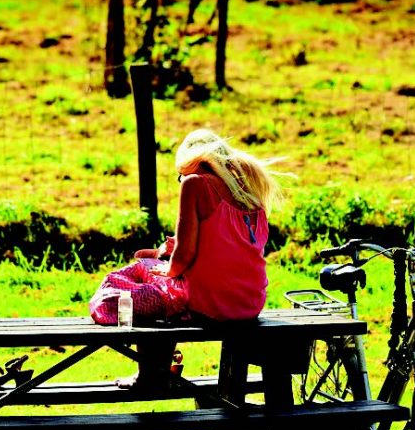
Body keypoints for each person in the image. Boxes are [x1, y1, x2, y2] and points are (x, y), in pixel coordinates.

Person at [89, 128, 286, 391]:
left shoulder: (196, 183)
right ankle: (160, 370)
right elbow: (230, 250)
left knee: (141, 286)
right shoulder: (250, 195)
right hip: (249, 304)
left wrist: (166, 266)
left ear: (192, 162)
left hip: (211, 305)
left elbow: (183, 257)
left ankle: (151, 375)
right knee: (157, 279)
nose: (181, 179)